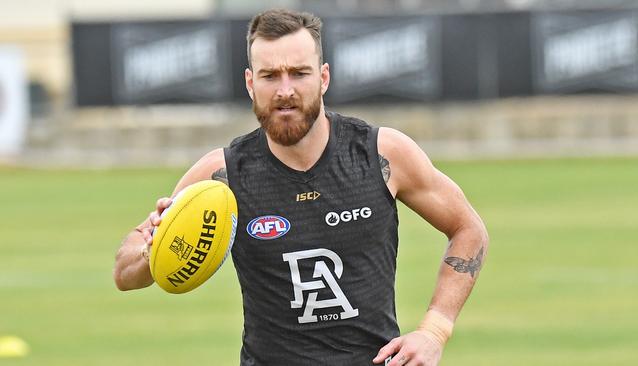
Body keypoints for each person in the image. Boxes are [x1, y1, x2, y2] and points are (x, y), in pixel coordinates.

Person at [113, 8, 488, 366]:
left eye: (299, 73)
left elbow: (468, 229)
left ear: (323, 78)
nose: (285, 90)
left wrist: (435, 330)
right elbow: (124, 273)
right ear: (250, 83)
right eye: (270, 76)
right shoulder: (220, 176)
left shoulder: (381, 154)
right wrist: (154, 247)